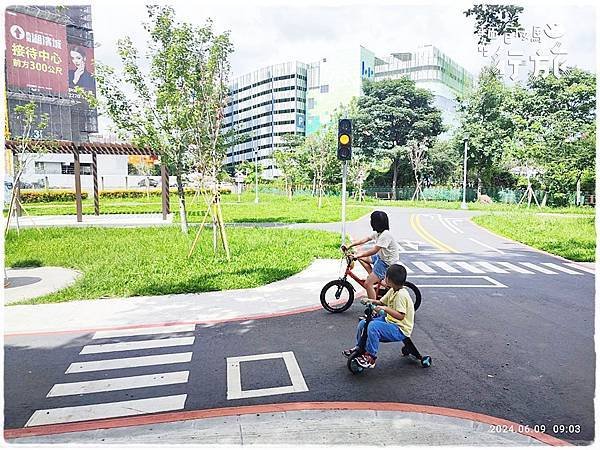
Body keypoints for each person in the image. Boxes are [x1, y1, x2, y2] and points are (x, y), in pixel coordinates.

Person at [342, 264, 415, 369]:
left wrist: (385, 309)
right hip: (390, 321)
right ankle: (360, 348)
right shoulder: (393, 290)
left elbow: (401, 316)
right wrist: (370, 300)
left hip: (400, 328)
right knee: (363, 323)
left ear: (389, 279)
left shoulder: (401, 295)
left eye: (385, 276)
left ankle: (371, 357)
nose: (383, 278)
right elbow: (381, 302)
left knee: (372, 326)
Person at [343, 210, 399, 300]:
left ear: (376, 223)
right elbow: (364, 240)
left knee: (367, 284)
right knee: (361, 257)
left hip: (386, 263)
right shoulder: (378, 233)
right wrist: (350, 245)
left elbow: (374, 250)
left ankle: (373, 308)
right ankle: (375, 278)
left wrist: (358, 255)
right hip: (381, 257)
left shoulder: (385, 235)